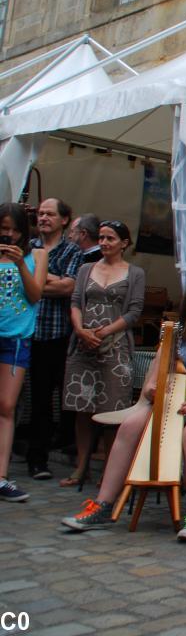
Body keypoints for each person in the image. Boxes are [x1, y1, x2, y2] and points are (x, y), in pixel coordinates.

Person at [61, 278, 186, 541]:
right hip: (175, 405)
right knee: (129, 426)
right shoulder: (174, 338)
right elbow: (152, 383)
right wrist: (152, 390)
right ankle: (103, 505)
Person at [60, 220, 145, 487]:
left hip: (115, 347)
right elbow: (75, 302)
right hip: (83, 346)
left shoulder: (135, 273)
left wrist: (105, 332)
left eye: (110, 238)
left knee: (113, 410)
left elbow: (134, 312)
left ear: (124, 243)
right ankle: (81, 467)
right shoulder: (86, 269)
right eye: (102, 238)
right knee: (82, 409)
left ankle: (110, 469)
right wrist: (81, 330)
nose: (105, 243)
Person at [27, 199, 82, 482]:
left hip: (55, 334)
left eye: (49, 213)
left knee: (52, 398)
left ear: (64, 219)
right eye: (40, 213)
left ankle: (46, 456)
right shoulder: (28, 246)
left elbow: (69, 287)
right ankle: (30, 455)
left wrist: (32, 281)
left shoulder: (72, 250)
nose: (43, 218)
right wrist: (47, 280)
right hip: (24, 332)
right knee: (28, 400)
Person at [0, 203, 47, 502]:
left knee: (6, 406)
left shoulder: (37, 255)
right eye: (4, 228)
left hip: (16, 338)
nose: (9, 234)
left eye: (15, 229)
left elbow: (35, 295)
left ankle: (1, 476)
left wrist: (19, 264)